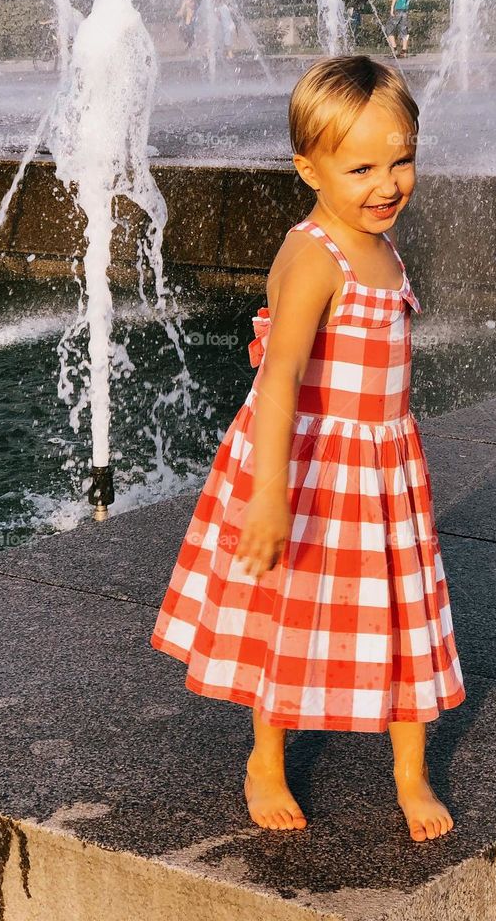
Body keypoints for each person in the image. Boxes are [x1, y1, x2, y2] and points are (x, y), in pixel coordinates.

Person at [150, 55, 465, 841]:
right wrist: (268, 493)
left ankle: (410, 770)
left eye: (402, 160)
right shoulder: (315, 257)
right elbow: (282, 374)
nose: (387, 183)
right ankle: (265, 757)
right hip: (310, 467)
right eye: (361, 167)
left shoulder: (381, 246)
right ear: (308, 169)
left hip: (382, 467)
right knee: (288, 614)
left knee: (398, 610)